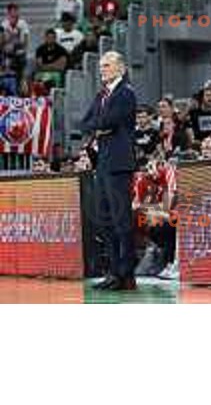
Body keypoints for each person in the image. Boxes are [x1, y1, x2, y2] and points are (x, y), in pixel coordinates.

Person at [80, 51, 137, 291]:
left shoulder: (126, 92)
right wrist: (100, 127)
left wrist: (100, 126)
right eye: (101, 65)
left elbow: (108, 122)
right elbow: (86, 123)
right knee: (104, 219)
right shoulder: (102, 94)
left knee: (121, 220)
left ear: (120, 68)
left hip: (119, 163)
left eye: (107, 65)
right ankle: (113, 272)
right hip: (102, 162)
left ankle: (126, 274)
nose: (102, 69)